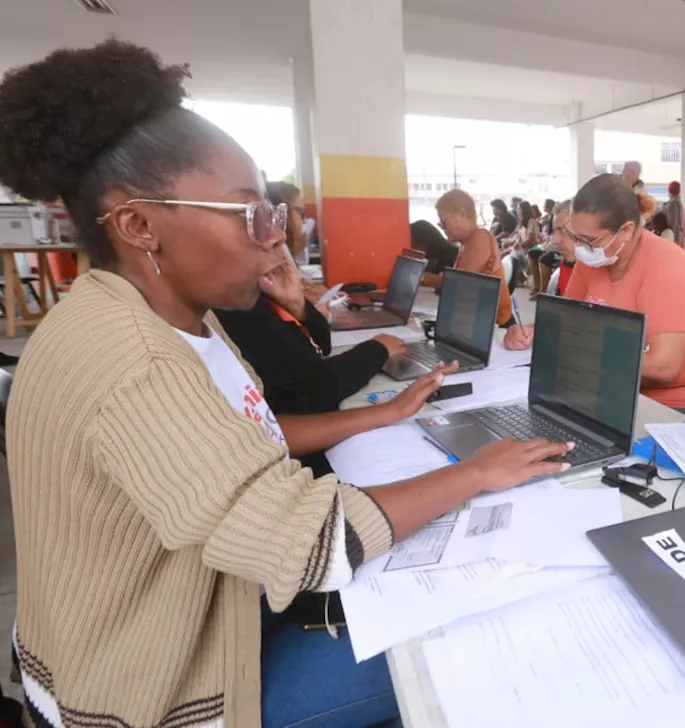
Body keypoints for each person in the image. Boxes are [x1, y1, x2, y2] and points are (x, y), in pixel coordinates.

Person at [0, 40, 574, 727]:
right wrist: (475, 474)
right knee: (462, 645)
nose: (277, 241)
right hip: (156, 690)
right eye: (252, 215)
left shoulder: (173, 322)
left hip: (184, 619)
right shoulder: (136, 360)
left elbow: (256, 438)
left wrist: (384, 415)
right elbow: (309, 545)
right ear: (138, 225)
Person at [526, 175, 685, 418]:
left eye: (589, 240)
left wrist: (586, 350)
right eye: (576, 236)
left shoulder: (666, 266)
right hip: (608, 390)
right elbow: (567, 320)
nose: (580, 247)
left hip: (672, 405)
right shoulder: (593, 257)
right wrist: (534, 331)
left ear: (626, 230)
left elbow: (663, 366)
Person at [215, 245, 412, 476]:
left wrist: (297, 305)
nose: (277, 237)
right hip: (292, 466)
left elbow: (319, 346)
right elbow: (309, 389)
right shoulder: (231, 305)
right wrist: (376, 351)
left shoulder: (257, 294)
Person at [440, 189, 531, 350]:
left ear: (462, 214)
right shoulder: (466, 243)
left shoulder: (479, 237)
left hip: (499, 326)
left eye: (444, 221)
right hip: (482, 321)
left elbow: (459, 283)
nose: (442, 227)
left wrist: (423, 278)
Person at [411, 218, 460, 290]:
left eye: (413, 244)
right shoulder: (428, 258)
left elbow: (454, 283)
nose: (412, 248)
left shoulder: (453, 256)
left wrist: (423, 278)